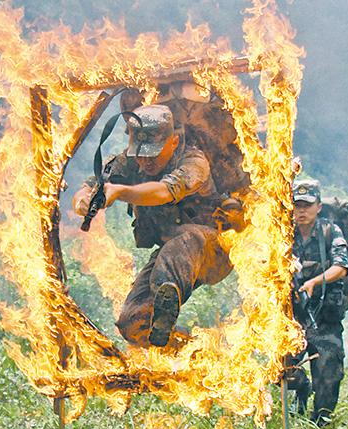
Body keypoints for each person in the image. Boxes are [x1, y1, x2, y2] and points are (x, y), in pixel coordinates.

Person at [73, 104, 232, 347]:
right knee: (133, 323)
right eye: (140, 152)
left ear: (174, 142)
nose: (145, 160)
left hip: (213, 250)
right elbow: (91, 185)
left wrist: (120, 191)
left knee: (186, 237)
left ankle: (166, 293)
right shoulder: (129, 161)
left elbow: (164, 191)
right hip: (172, 257)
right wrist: (83, 200)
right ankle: (196, 351)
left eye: (153, 153)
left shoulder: (194, 162)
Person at [287, 179, 348, 426]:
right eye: (297, 205)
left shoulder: (329, 231)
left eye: (307, 205)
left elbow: (341, 267)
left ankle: (321, 419)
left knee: (329, 371)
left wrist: (314, 283)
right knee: (286, 370)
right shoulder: (283, 233)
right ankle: (301, 392)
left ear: (319, 207)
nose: (302, 211)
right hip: (292, 316)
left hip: (324, 315)